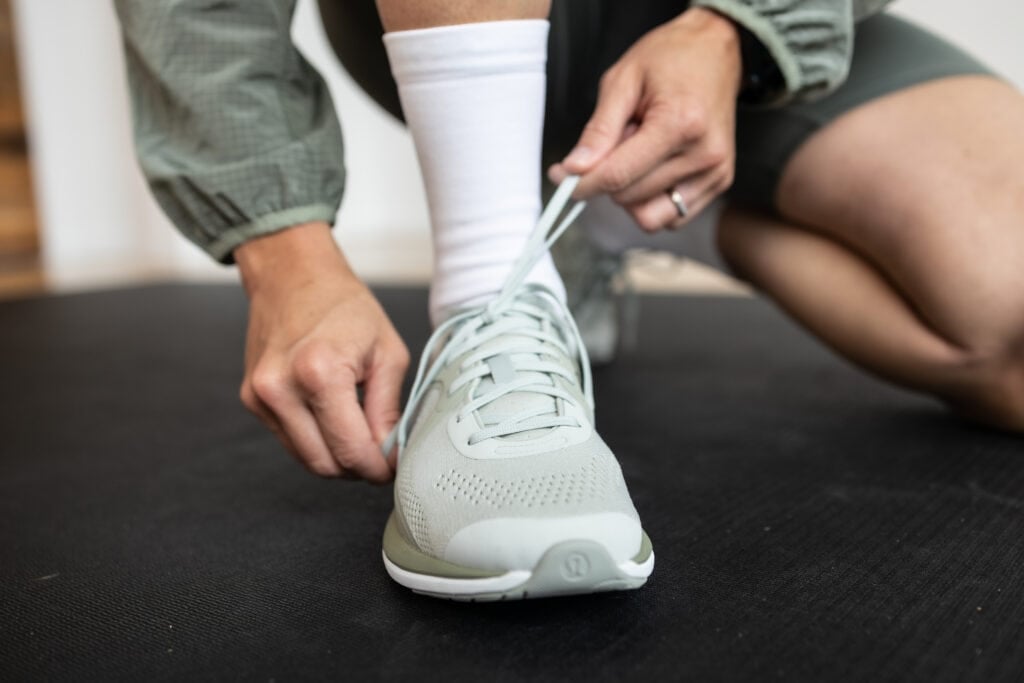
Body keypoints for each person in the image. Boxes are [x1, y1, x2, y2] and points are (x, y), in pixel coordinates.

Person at [112, 0, 1024, 599]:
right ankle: (491, 279)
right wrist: (282, 248)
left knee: (1007, 341)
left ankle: (607, 219)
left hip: (723, 40)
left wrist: (732, 27)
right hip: (451, 30)